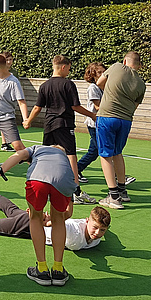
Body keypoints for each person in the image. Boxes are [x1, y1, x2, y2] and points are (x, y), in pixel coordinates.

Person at [0, 144, 77, 287]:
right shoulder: (65, 161)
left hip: (37, 180)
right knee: (59, 221)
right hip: (64, 182)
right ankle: (58, 269)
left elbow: (18, 155)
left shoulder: (36, 148)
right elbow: (68, 212)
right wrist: (52, 219)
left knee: (35, 218)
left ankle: (42, 268)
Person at [0, 187, 110, 251]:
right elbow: (60, 223)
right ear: (87, 221)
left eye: (102, 230)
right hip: (29, 226)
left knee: (12, 210)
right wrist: (44, 220)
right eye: (95, 227)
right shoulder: (74, 233)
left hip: (31, 221)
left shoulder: (96, 239)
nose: (97, 233)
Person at [23, 55, 97, 204]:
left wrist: (28, 121)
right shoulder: (68, 84)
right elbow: (75, 106)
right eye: (69, 68)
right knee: (71, 156)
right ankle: (76, 192)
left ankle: (44, 185)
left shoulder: (44, 85)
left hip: (49, 125)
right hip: (64, 124)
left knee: (45, 155)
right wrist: (93, 115)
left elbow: (38, 107)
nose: (69, 71)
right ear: (63, 67)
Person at [96, 51, 147, 209]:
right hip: (125, 120)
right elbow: (135, 106)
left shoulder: (116, 67)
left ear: (125, 60)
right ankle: (122, 191)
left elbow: (99, 83)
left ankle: (114, 197)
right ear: (139, 65)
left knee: (105, 156)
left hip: (106, 117)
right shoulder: (141, 83)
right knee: (118, 153)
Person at [76, 62, 106, 186]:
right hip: (94, 123)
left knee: (95, 151)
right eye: (99, 72)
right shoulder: (93, 88)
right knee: (99, 150)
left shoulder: (106, 87)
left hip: (102, 122)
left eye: (104, 72)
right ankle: (75, 170)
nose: (102, 74)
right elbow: (98, 106)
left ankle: (76, 170)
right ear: (92, 75)